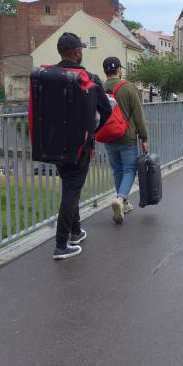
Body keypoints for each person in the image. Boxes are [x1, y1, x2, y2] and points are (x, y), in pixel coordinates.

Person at [52, 32, 112, 260]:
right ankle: (61, 244)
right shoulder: (89, 78)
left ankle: (75, 231)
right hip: (79, 145)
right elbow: (106, 112)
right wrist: (91, 135)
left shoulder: (49, 76)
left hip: (54, 144)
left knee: (70, 186)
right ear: (77, 52)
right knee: (72, 190)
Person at [102, 56, 150, 224]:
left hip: (108, 136)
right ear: (119, 70)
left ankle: (124, 203)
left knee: (117, 171)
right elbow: (138, 115)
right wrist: (144, 137)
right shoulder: (128, 88)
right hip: (127, 137)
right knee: (129, 170)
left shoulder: (100, 88)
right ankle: (121, 199)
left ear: (105, 71)